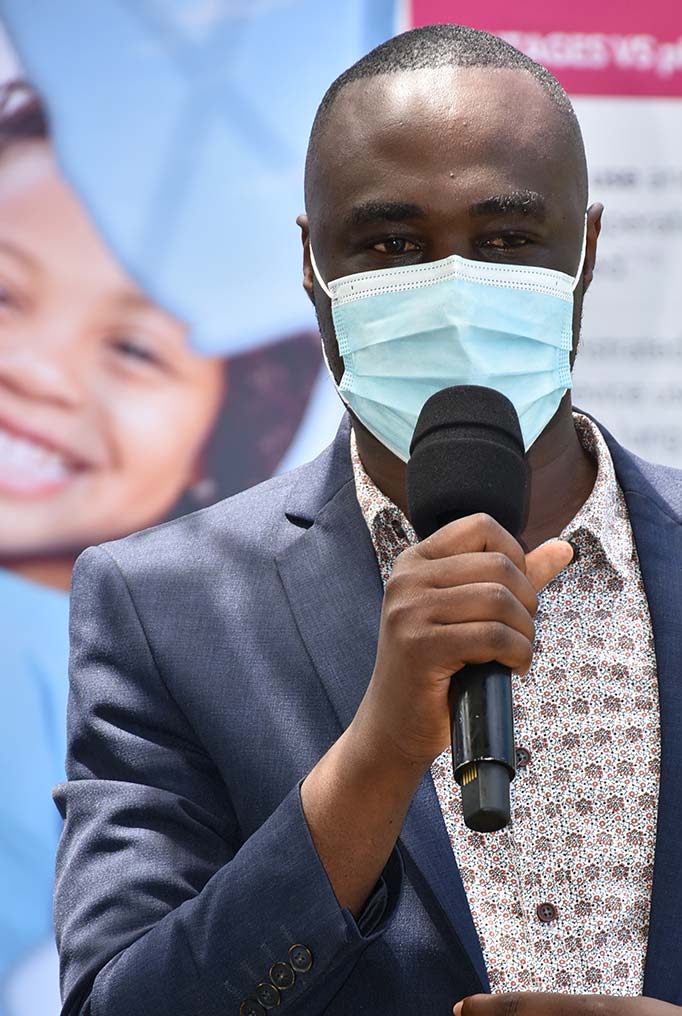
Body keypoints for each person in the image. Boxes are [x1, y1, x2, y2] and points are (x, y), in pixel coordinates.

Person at [54, 25, 682, 1016]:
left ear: (585, 251)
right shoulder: (164, 607)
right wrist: (372, 760)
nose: (454, 287)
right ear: (310, 262)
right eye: (391, 243)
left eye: (506, 239)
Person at [0, 80, 320, 1014]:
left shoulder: (254, 659)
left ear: (239, 414)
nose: (38, 371)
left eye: (135, 350)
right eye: (3, 292)